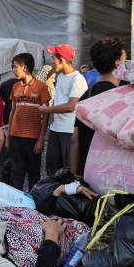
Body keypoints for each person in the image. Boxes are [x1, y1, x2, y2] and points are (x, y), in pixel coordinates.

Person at [71, 38, 126, 176]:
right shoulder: (123, 98)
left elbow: (74, 141)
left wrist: (74, 178)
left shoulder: (86, 96)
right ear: (117, 63)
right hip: (112, 173)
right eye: (125, 61)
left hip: (86, 172)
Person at [38, 44, 88, 175]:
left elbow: (71, 106)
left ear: (62, 60)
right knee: (52, 171)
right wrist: (53, 110)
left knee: (68, 172)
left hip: (69, 131)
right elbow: (59, 99)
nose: (51, 61)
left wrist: (48, 110)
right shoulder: (59, 77)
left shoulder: (78, 79)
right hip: (55, 129)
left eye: (53, 58)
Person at [5, 52, 51, 192]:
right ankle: (15, 205)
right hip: (15, 137)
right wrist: (8, 138)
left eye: (15, 67)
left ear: (24, 67)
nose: (13, 70)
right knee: (17, 173)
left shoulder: (41, 86)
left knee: (33, 174)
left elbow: (46, 114)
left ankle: (33, 205)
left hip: (33, 138)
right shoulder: (15, 87)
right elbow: (12, 112)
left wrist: (41, 139)